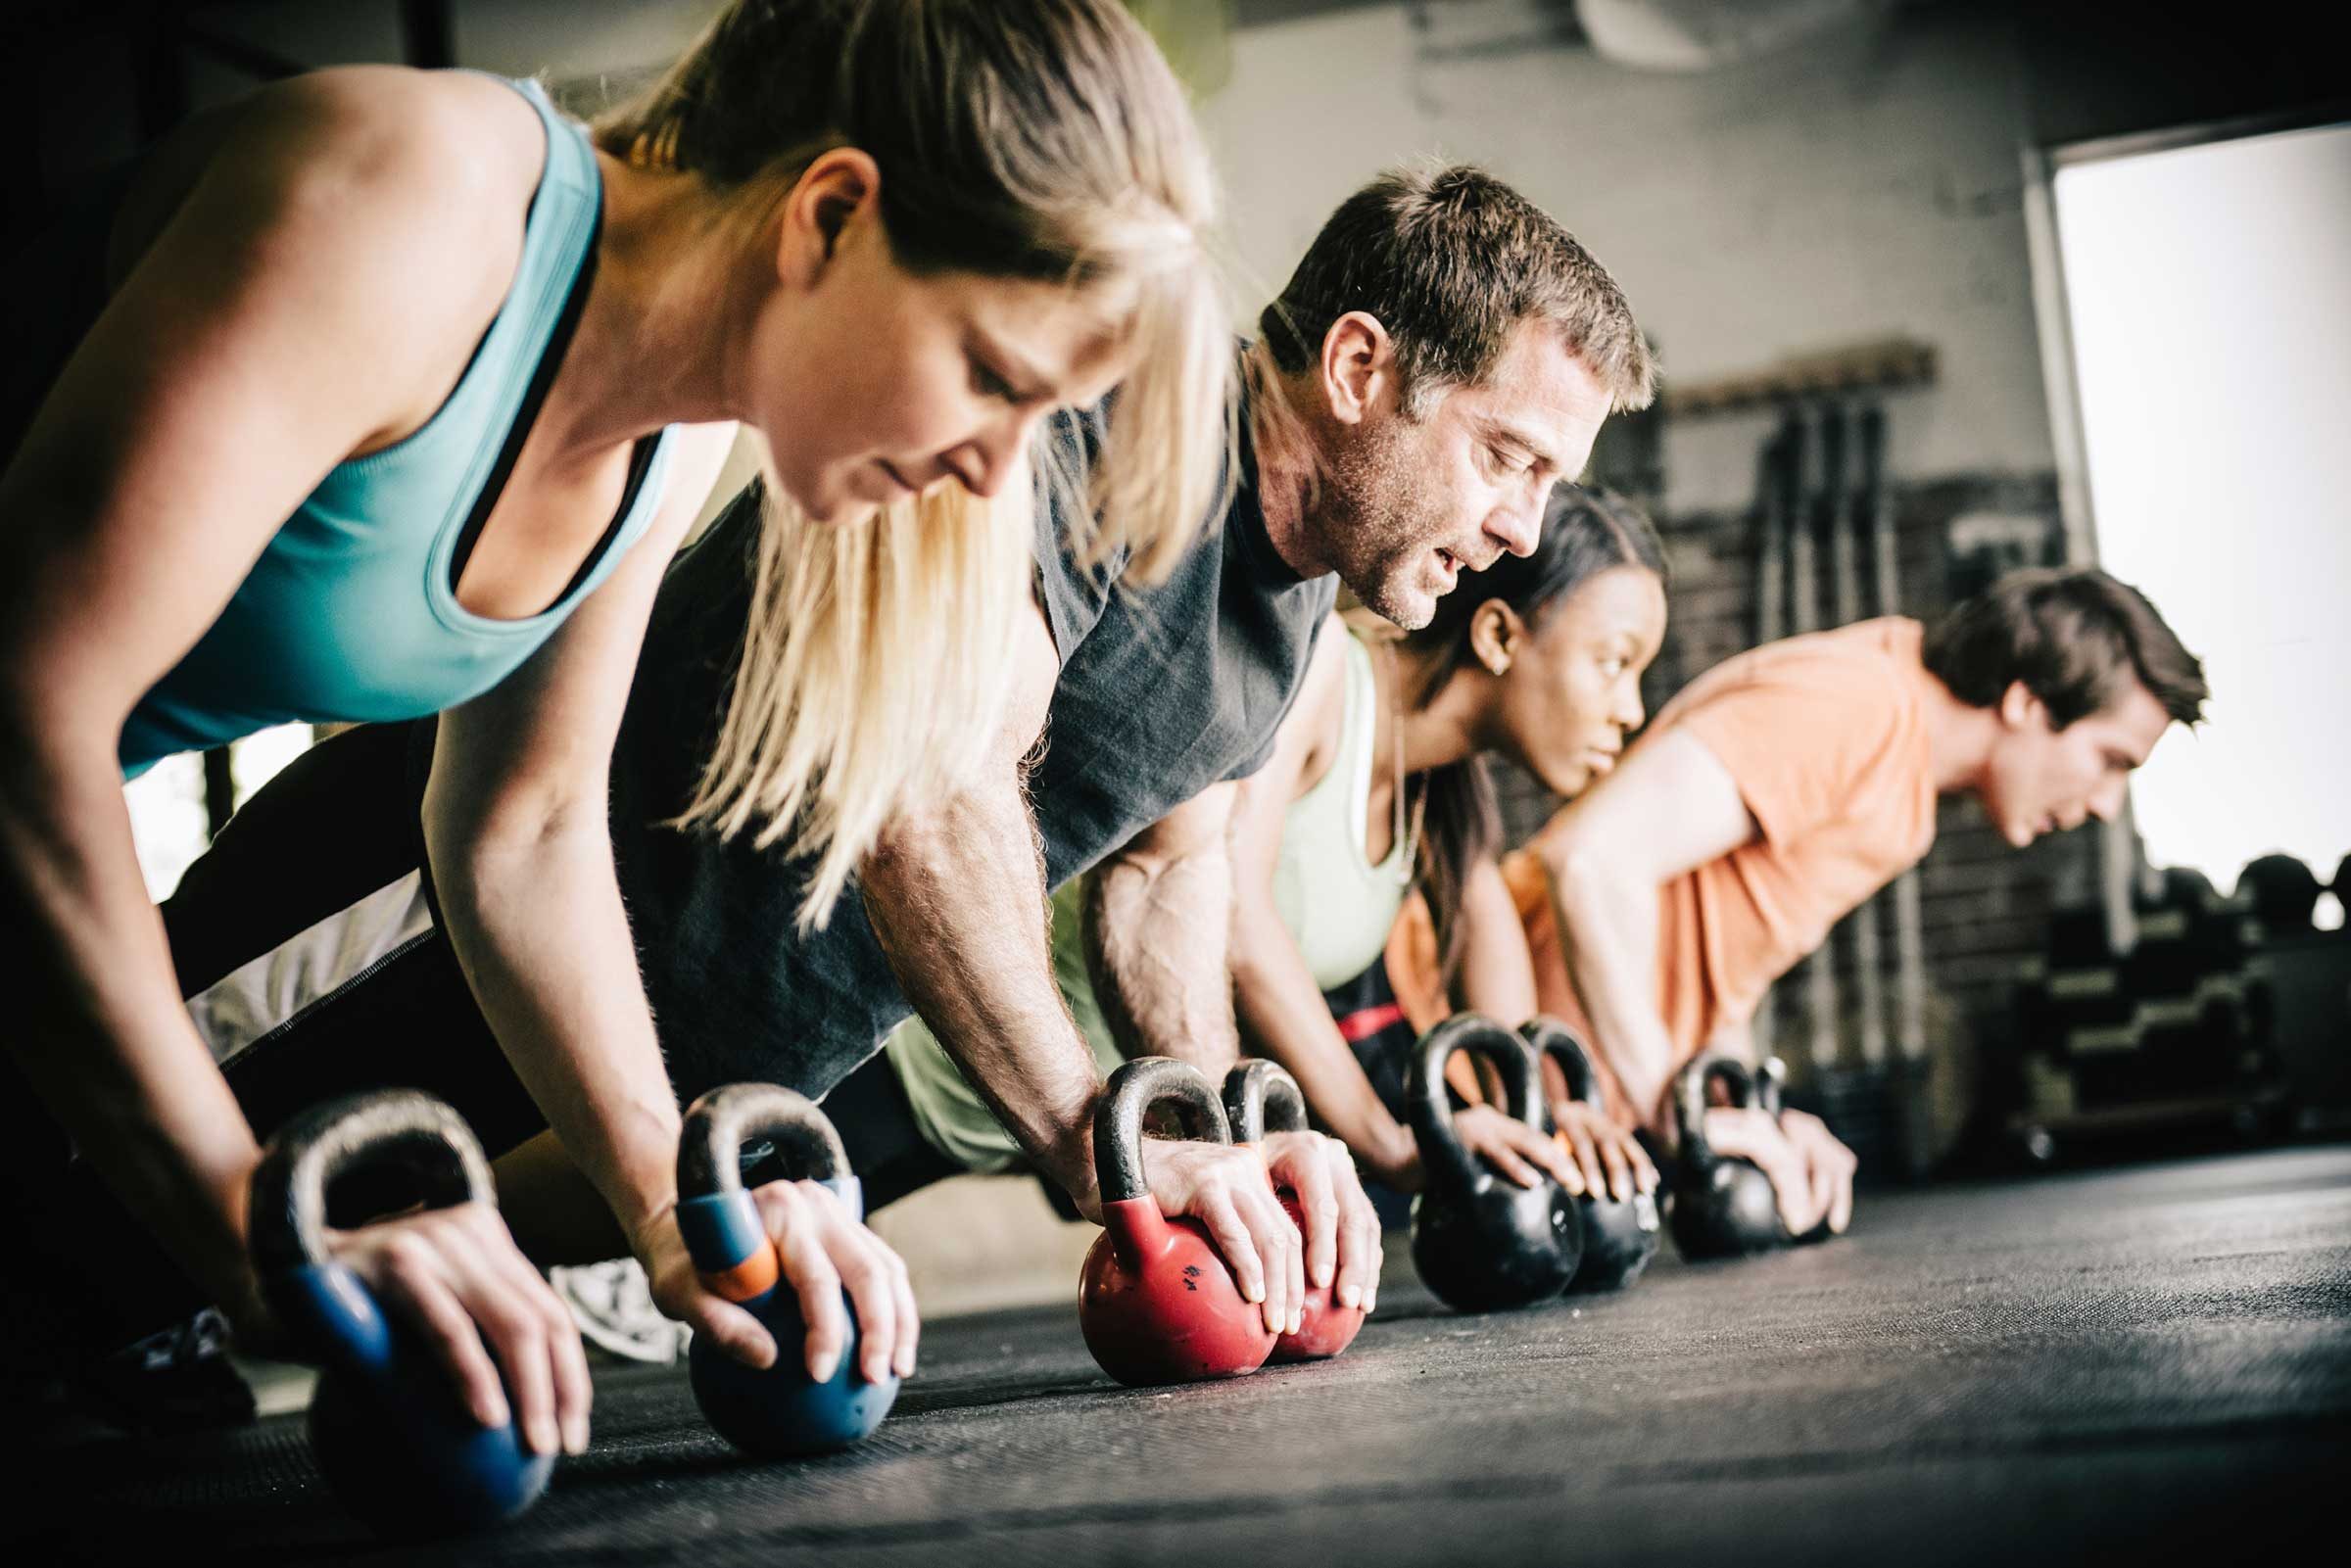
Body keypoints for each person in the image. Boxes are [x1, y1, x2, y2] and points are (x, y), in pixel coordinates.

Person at [134, 163, 1655, 1348]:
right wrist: (1100, 1144)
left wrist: (1199, 1134)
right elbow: (932, 792)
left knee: (234, 1286)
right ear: (1359, 366)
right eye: (1507, 456)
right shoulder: (1104, 423)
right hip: (446, 904)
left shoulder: (1294, 608)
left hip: (675, 1055)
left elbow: (1165, 877)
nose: (1522, 527)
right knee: (99, 1185)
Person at [1, 0, 1233, 1442]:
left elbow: (519, 830)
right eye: (992, 379)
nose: (993, 470)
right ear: (831, 216)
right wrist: (248, 1218)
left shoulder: (671, 428)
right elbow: (28, 716)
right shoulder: (412, 205)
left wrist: (674, 1204)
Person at [879, 484, 1667, 1212]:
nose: (1630, 710)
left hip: (1080, 1124)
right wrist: (1392, 1142)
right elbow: (1239, 919)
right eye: (1614, 663)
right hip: (929, 1062)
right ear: (1497, 634)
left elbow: (1485, 940)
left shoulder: (1438, 795)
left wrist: (1546, 1115)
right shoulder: (1324, 672)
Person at [1389, 566, 2210, 1237]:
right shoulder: (1859, 704)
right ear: (2028, 702)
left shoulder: (1906, 786)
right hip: (1432, 1052)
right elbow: (1593, 864)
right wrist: (1683, 1115)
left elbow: (1718, 961)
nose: (2107, 802)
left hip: (1550, 1112)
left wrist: (1755, 1109)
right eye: (2111, 759)